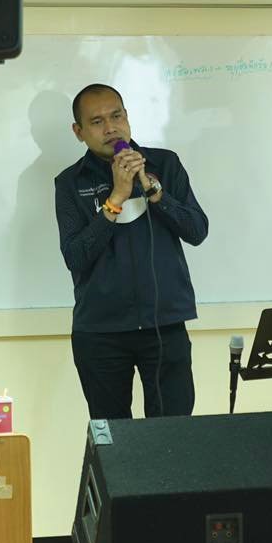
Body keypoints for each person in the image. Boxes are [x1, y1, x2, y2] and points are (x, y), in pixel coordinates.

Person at [54, 83, 209, 420]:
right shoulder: (70, 183)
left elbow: (197, 231)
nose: (110, 128)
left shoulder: (164, 164)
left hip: (164, 323)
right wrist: (116, 198)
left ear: (127, 117)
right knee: (114, 440)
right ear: (78, 132)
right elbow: (75, 257)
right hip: (101, 331)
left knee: (173, 435)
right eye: (97, 122)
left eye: (116, 116)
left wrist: (154, 191)